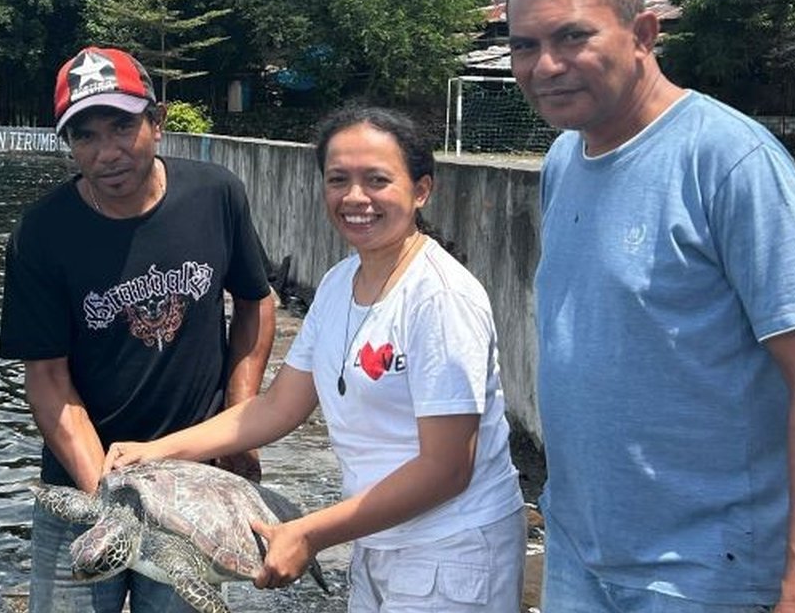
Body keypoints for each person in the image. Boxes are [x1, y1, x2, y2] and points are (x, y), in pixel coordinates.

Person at [105, 105, 526, 612]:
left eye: (377, 180)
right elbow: (277, 407)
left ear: (421, 190)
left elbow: (447, 468)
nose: (355, 198)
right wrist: (156, 451)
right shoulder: (338, 283)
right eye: (338, 179)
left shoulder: (439, 298)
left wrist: (309, 534)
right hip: (377, 535)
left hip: (454, 550)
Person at [506, 0, 795, 612]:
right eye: (525, 46)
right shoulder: (564, 160)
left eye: (572, 37)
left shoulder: (729, 160)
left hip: (706, 571)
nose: (545, 66)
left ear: (643, 33)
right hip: (581, 554)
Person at [0, 45, 277, 612]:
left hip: (193, 487)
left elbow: (256, 304)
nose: (107, 153)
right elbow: (47, 379)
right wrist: (111, 502)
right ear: (69, 144)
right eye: (85, 136)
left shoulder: (215, 195)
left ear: (158, 121)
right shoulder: (42, 234)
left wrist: (239, 424)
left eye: (122, 126)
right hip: (83, 482)